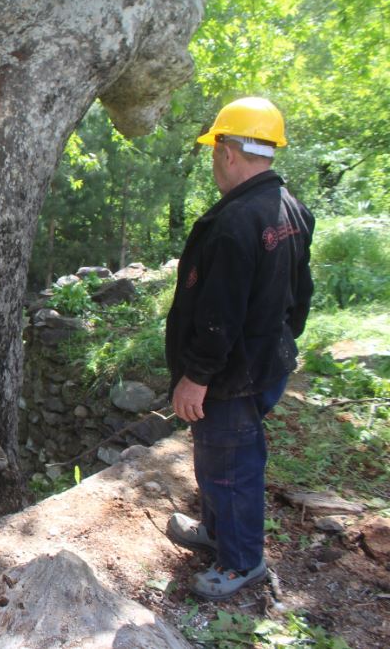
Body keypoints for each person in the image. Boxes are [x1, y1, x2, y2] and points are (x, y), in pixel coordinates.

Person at [164, 97, 314, 600]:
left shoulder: (234, 223)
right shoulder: (290, 209)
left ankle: (241, 563)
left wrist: (197, 375)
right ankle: (217, 532)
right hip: (266, 362)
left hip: (230, 374)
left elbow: (218, 313)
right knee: (218, 458)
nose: (214, 163)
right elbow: (302, 293)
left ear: (228, 151)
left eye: (215, 151)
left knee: (231, 467)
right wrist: (283, 341)